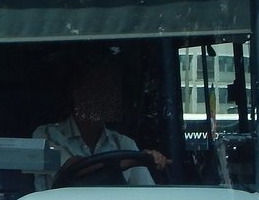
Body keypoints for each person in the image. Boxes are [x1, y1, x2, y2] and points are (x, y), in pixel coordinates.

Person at [32, 60, 169, 191]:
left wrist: (148, 158)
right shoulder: (45, 135)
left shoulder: (124, 143)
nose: (108, 98)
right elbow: (70, 167)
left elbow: (145, 192)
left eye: (112, 91)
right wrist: (127, 162)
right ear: (78, 95)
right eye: (99, 90)